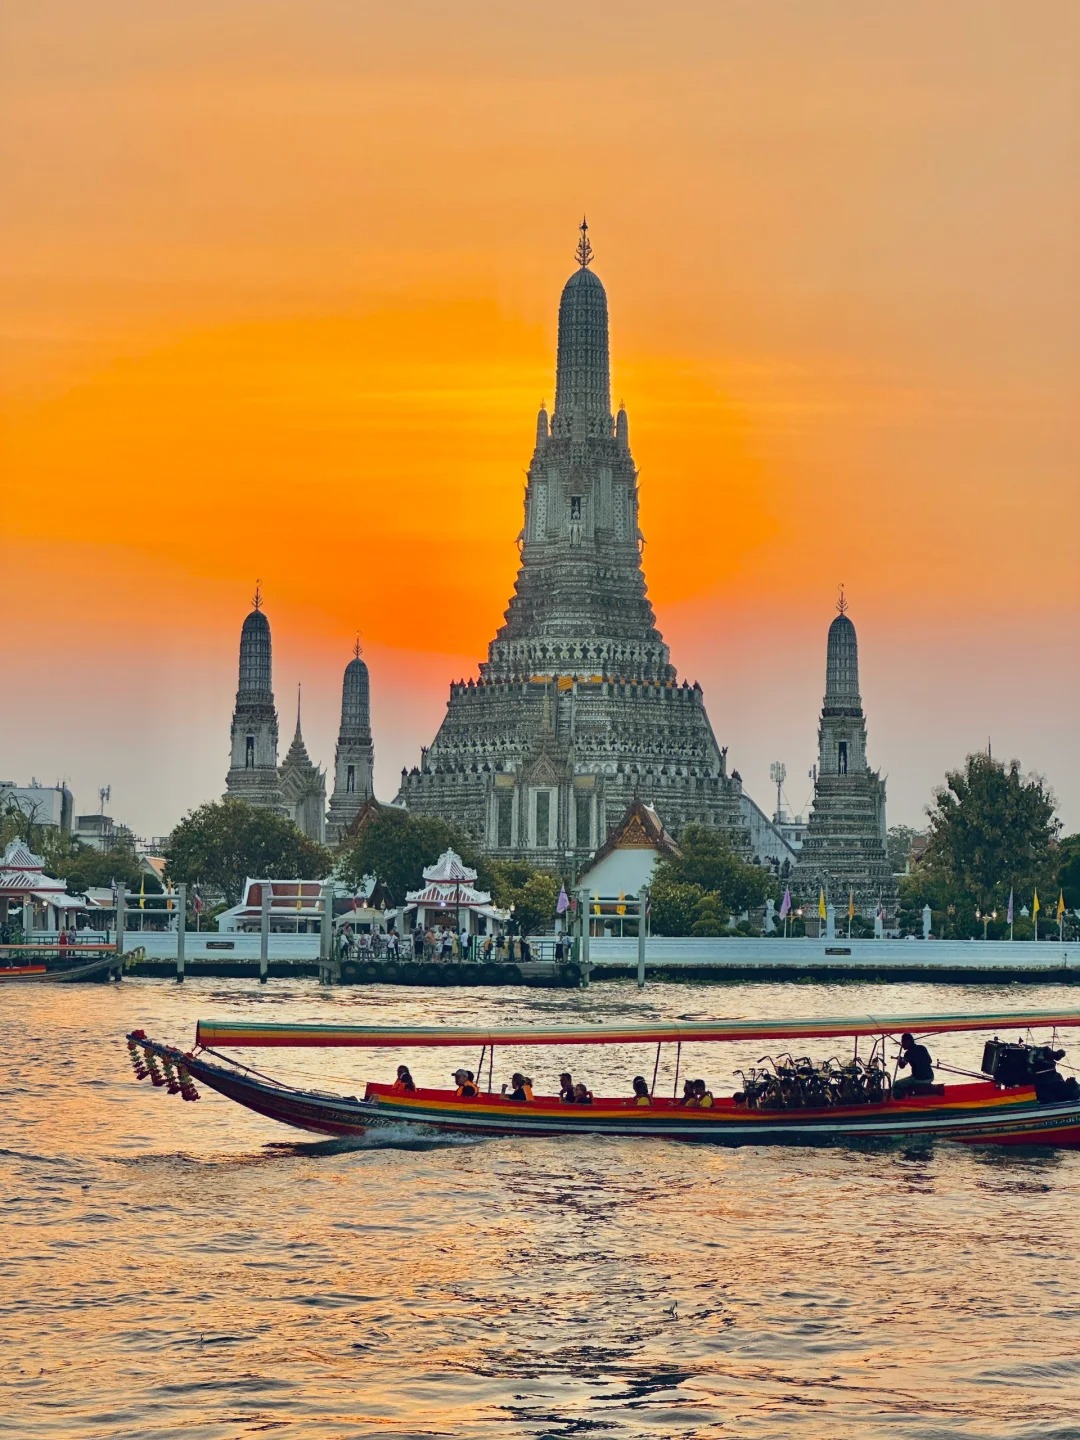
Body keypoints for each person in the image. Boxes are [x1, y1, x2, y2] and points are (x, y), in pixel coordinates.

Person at [894, 1032, 934, 1099]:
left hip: (918, 1079)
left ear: (908, 1041)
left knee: (897, 1084)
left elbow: (902, 1066)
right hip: (930, 1077)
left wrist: (900, 1060)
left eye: (903, 1042)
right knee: (910, 1078)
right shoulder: (922, 1048)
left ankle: (900, 1099)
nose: (902, 1044)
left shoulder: (908, 1053)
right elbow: (930, 1061)